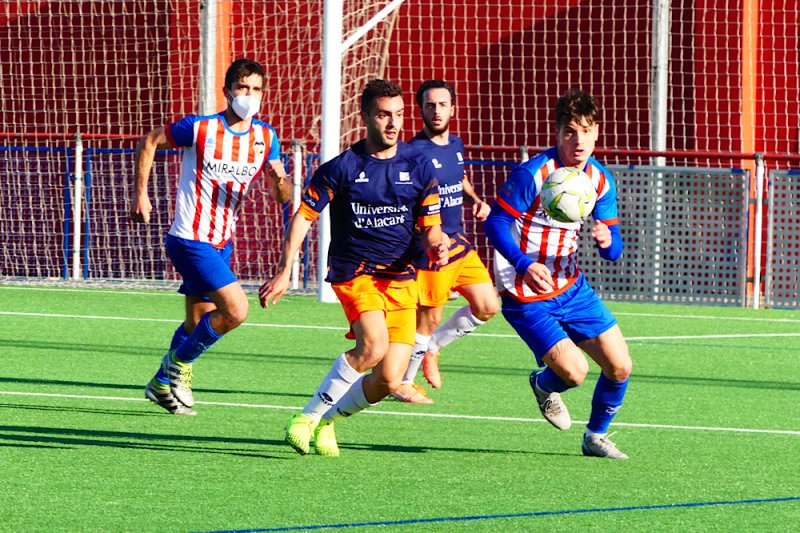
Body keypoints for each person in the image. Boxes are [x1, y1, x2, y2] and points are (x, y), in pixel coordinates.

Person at [259, 79, 448, 457]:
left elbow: (431, 224)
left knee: (389, 379)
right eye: (383, 115)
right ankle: (306, 417)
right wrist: (285, 269)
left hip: (402, 278)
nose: (393, 123)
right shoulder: (342, 168)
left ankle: (330, 420)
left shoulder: (420, 165)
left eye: (398, 115)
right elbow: (304, 216)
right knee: (372, 346)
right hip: (356, 272)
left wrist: (437, 244)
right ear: (364, 117)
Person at [131, 58, 291, 415]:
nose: (249, 96)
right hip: (189, 238)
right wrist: (141, 193)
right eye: (242, 88)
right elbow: (151, 140)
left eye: (256, 90)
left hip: (222, 242)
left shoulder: (266, 137)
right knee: (236, 310)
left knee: (197, 322)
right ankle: (178, 366)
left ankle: (159, 384)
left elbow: (283, 196)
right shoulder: (200, 128)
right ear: (228, 92)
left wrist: (280, 179)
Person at [484, 88, 632, 459]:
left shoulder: (600, 181)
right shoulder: (533, 173)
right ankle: (543, 383)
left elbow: (614, 250)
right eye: (569, 130)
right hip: (526, 294)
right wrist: (523, 263)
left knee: (619, 366)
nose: (578, 140)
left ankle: (595, 436)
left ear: (597, 132)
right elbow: (496, 223)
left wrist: (605, 239)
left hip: (572, 287)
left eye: (585, 130)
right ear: (556, 132)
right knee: (576, 373)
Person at [392, 80, 498, 403]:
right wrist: (427, 237)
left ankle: (434, 348)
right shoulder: (412, 153)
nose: (436, 111)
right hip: (433, 247)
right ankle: (402, 383)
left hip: (460, 244)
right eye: (429, 105)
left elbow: (460, 178)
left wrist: (476, 200)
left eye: (442, 104)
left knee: (488, 305)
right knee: (428, 319)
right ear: (420, 110)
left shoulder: (456, 145)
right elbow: (406, 202)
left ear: (453, 108)